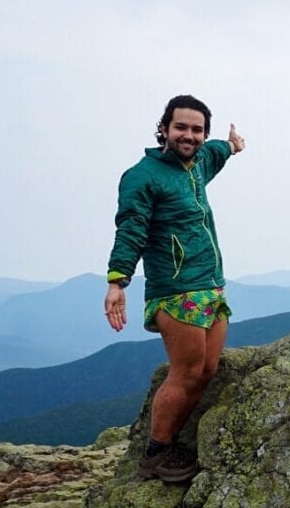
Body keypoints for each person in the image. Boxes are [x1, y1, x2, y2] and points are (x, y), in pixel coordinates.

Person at [104, 94, 246, 482]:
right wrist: (118, 281)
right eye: (180, 127)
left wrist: (233, 145)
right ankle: (156, 453)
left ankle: (172, 442)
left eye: (197, 129)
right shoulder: (143, 176)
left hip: (211, 287)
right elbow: (131, 227)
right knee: (185, 373)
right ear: (164, 128)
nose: (189, 135)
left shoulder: (199, 163)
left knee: (207, 370)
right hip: (176, 290)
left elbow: (218, 151)